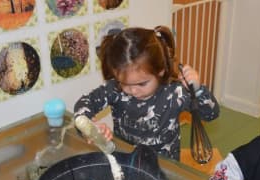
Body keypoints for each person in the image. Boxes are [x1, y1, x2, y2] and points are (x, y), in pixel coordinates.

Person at [74, 25, 220, 160]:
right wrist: (90, 128)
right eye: (125, 83)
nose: (133, 90)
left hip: (165, 167)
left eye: (142, 83)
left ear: (160, 71)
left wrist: (198, 90)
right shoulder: (115, 89)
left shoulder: (175, 93)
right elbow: (84, 104)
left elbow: (211, 114)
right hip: (127, 161)